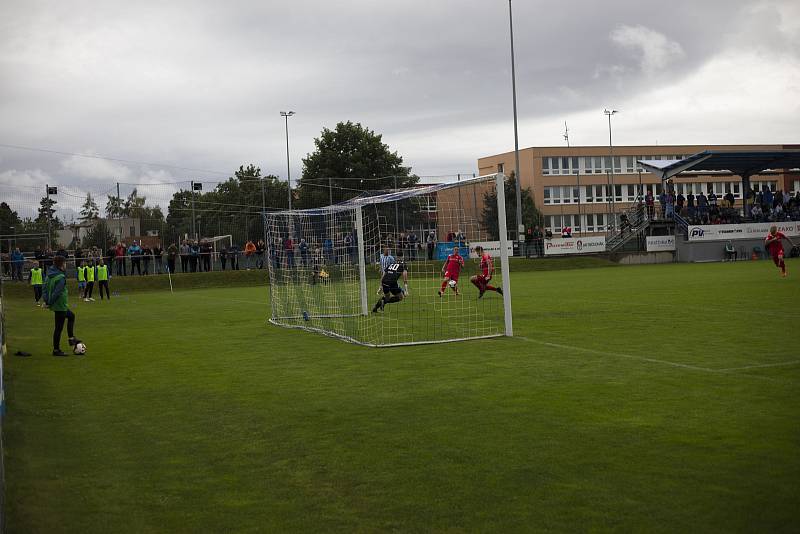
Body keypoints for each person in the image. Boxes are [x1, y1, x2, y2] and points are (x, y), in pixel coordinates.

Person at [42, 255, 82, 356]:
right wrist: (49, 303)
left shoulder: (49, 275)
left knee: (71, 316)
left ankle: (71, 339)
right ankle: (56, 350)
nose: (65, 265)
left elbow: (44, 289)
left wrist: (47, 301)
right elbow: (57, 293)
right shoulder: (61, 277)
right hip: (60, 305)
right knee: (58, 328)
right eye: (65, 263)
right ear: (61, 265)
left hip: (58, 305)